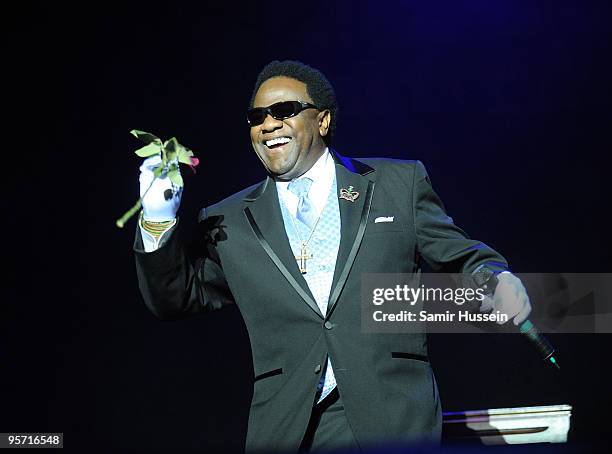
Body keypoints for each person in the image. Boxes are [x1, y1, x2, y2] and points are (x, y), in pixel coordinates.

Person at [133, 60, 531, 453]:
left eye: (284, 111)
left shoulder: (396, 185)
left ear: (322, 121)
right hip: (288, 428)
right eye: (257, 117)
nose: (268, 124)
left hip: (391, 419)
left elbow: (465, 257)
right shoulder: (229, 219)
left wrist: (497, 279)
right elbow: (175, 299)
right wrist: (156, 217)